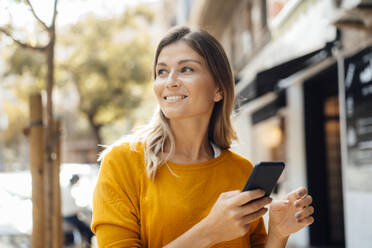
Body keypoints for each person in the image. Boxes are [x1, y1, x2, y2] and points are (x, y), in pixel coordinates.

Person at [91, 26, 314, 248]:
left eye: (186, 69)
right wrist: (208, 232)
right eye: (162, 71)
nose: (170, 81)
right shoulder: (122, 163)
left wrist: (278, 234)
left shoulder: (241, 171)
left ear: (218, 89)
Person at [62, 174, 94, 246]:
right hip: (69, 216)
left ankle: (87, 242)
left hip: (70, 215)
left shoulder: (67, 189)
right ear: (75, 180)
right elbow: (71, 207)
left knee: (84, 226)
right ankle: (88, 243)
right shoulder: (67, 190)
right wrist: (81, 209)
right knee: (86, 228)